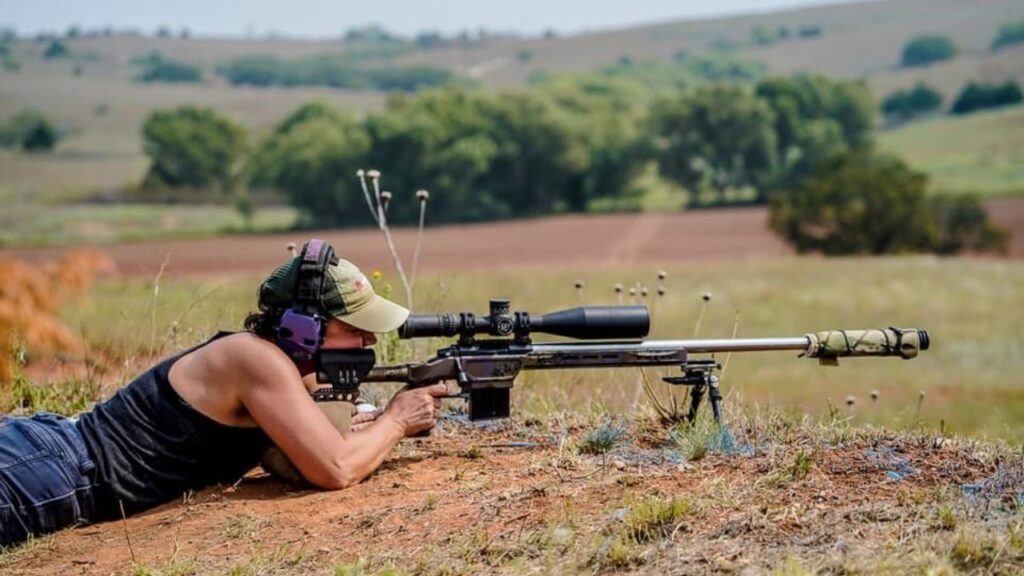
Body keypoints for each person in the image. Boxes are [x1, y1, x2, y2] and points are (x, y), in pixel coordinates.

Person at [0, 240, 447, 547]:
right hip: (53, 470)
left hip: (53, 460)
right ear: (303, 327)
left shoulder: (282, 367)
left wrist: (372, 417)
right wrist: (397, 420)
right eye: (354, 329)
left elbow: (326, 433)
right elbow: (335, 467)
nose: (368, 342)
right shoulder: (255, 359)